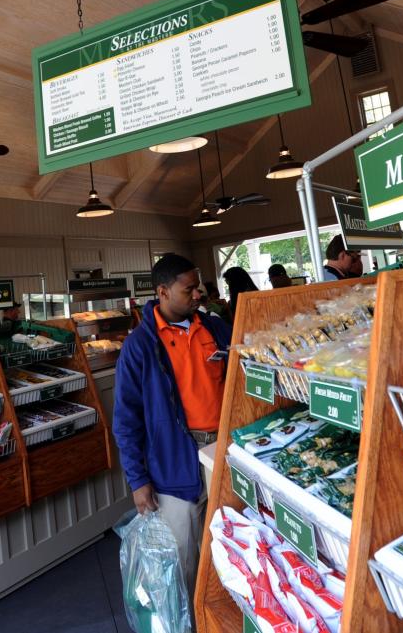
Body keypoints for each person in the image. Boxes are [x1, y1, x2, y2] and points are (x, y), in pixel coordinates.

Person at [113, 254, 231, 605]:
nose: (198, 294)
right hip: (171, 463)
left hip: (222, 452)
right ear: (163, 292)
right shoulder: (140, 346)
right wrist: (138, 481)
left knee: (226, 551)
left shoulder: (214, 328)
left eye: (198, 287)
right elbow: (126, 419)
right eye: (189, 289)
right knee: (181, 562)